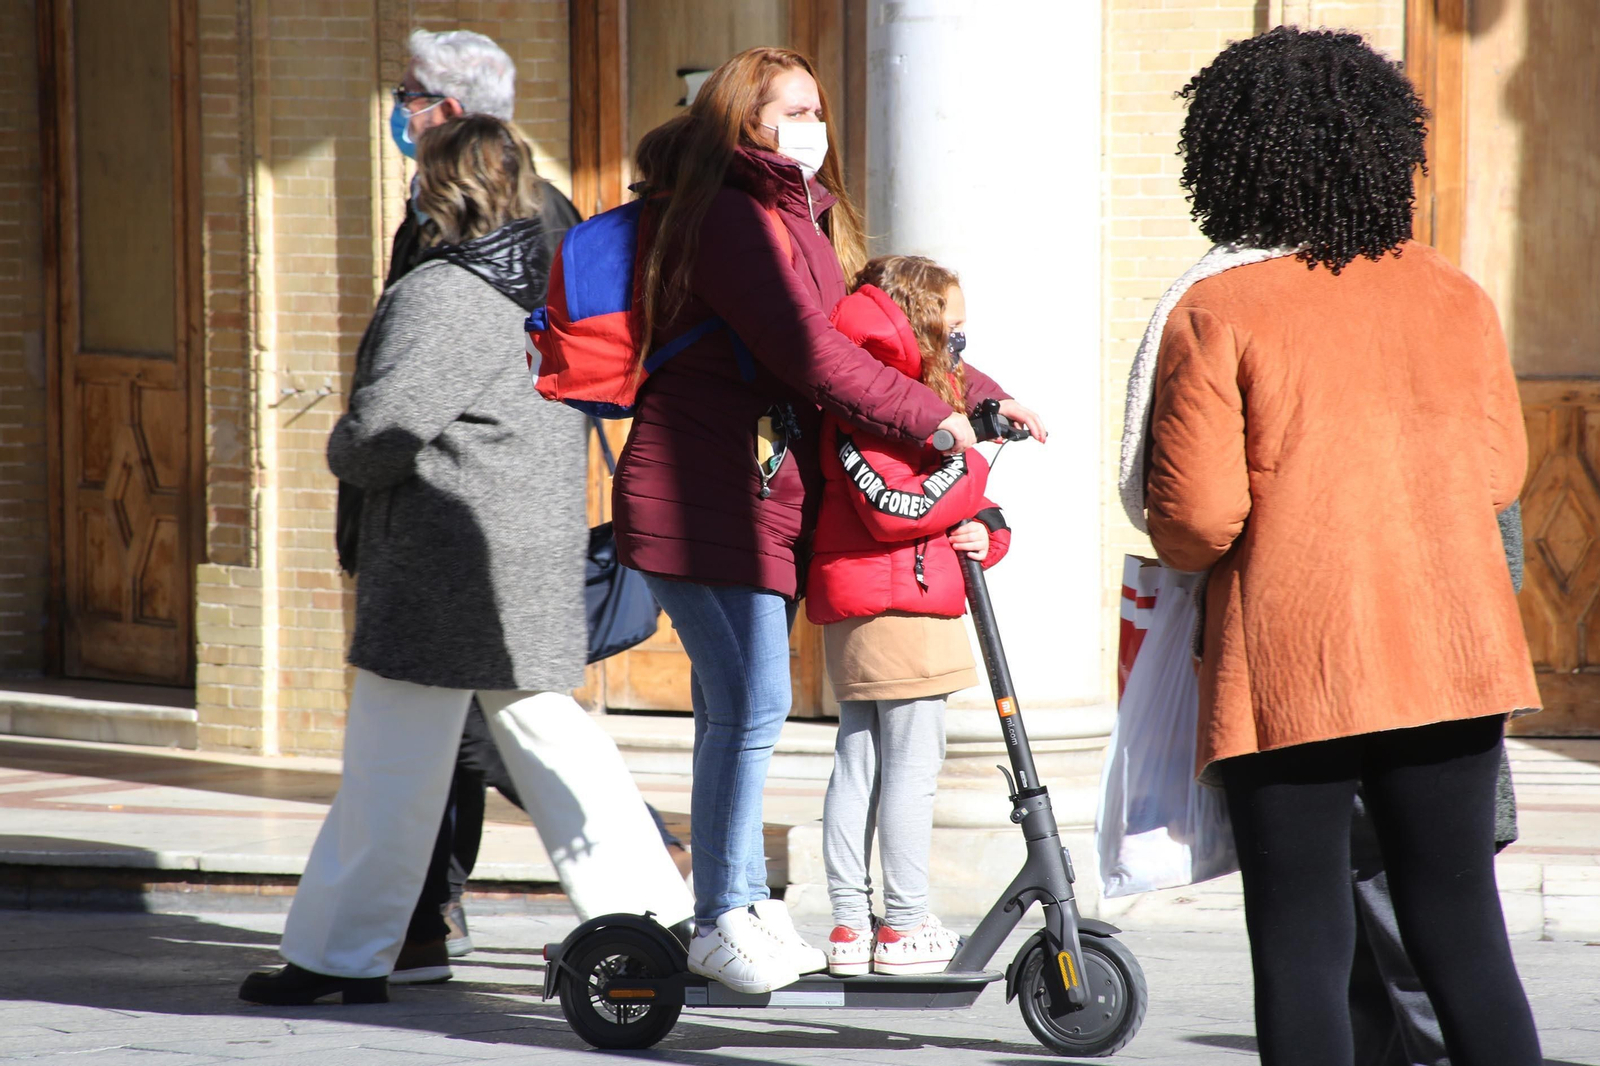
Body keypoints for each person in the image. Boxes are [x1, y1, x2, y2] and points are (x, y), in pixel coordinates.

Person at [1121, 27, 1543, 1066]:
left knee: (1301, 938)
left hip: (1293, 658)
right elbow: (1498, 476)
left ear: (1231, 158)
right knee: (1464, 931)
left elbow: (1196, 518)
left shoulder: (1220, 309)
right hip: (1453, 650)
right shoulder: (1454, 293)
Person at [614, 46, 1043, 995]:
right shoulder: (731, 216)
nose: (809, 129)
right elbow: (812, 355)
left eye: (815, 111)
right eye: (787, 113)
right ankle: (725, 912)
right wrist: (936, 420)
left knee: (740, 707)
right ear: (742, 122)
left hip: (754, 491)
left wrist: (981, 394)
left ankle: (730, 903)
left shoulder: (800, 213)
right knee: (751, 706)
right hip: (700, 493)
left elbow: (879, 338)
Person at [240, 114, 693, 1007]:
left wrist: (339, 440)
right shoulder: (545, 280)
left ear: (441, 191)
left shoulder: (445, 292)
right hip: (520, 558)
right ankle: (657, 919)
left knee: (390, 772)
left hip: (443, 568)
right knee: (552, 747)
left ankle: (338, 957)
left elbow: (379, 436)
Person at [364, 27, 689, 984]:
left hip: (477, 520)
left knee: (496, 721)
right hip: (460, 519)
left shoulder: (510, 221)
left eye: (410, 94)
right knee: (459, 722)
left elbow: (470, 375)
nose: (400, 109)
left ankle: (649, 878)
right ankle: (426, 919)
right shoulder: (453, 213)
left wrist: (371, 444)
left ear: (449, 113)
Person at [808, 256, 1019, 977]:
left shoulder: (899, 388)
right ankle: (900, 924)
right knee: (908, 767)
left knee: (863, 761)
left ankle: (848, 926)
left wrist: (985, 529)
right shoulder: (868, 401)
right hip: (893, 602)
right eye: (952, 331)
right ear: (922, 327)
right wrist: (974, 462)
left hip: (889, 595)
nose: (962, 346)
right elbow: (897, 507)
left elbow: (951, 493)